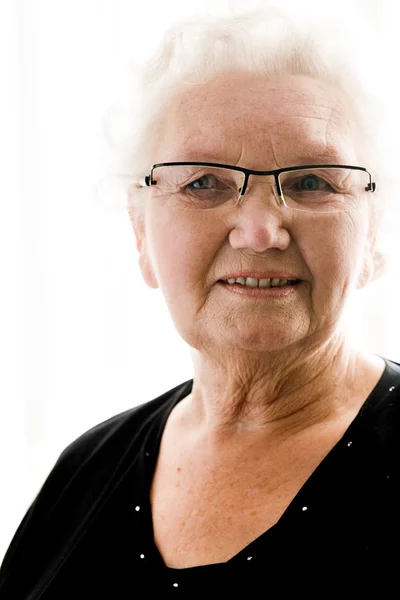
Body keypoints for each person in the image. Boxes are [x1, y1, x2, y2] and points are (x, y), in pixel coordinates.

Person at [1, 5, 399, 597]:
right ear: (141, 233)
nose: (260, 231)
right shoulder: (86, 470)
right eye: (203, 182)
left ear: (373, 233)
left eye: (312, 181)